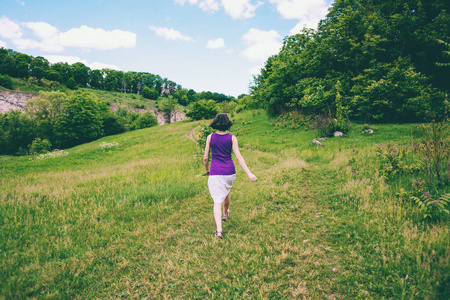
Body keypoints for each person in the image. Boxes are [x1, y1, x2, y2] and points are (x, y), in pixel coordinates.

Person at [203, 113, 257, 238]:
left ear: (215, 123)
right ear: (228, 123)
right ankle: (225, 214)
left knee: (217, 200)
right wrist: (249, 173)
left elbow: (206, 157)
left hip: (215, 171)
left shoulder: (210, 137)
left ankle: (219, 231)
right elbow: (238, 156)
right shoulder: (232, 138)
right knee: (226, 190)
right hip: (229, 172)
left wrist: (207, 170)